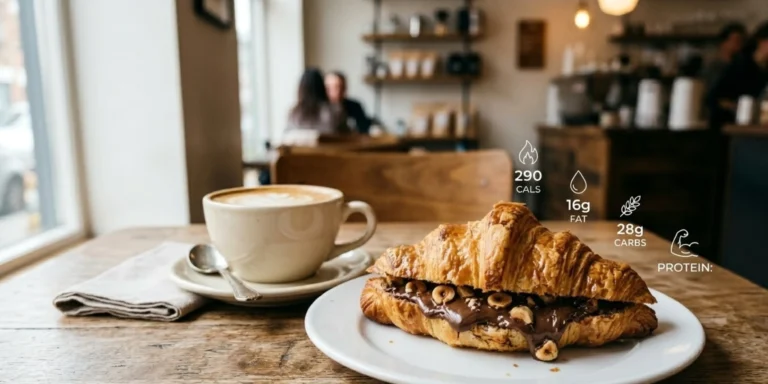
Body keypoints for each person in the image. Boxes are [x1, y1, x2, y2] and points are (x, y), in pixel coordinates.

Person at [706, 22, 768, 129]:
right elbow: (716, 99)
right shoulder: (740, 65)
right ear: (761, 41)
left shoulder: (764, 70)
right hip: (730, 128)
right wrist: (742, 108)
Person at [285, 68, 343, 136]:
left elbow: (287, 137)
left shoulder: (293, 114)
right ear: (322, 87)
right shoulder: (335, 111)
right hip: (330, 146)